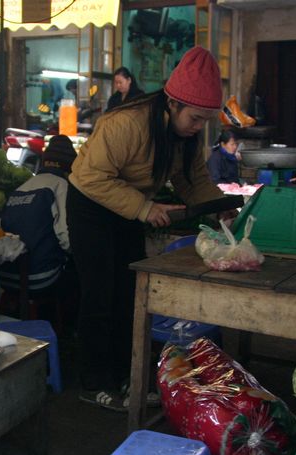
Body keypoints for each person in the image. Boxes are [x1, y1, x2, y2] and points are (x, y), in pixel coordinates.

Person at [67, 47, 235, 411]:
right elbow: (90, 177)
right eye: (195, 118)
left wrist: (222, 209)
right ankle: (95, 381)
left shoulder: (186, 134)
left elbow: (194, 180)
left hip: (129, 209)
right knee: (100, 294)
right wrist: (145, 207)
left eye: (205, 120)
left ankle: (129, 374)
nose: (198, 127)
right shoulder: (125, 124)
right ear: (172, 103)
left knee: (129, 293)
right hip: (92, 206)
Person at [0, 135, 76, 294]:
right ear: (69, 167)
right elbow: (67, 240)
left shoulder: (20, 188)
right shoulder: (61, 185)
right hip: (40, 279)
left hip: (4, 278)